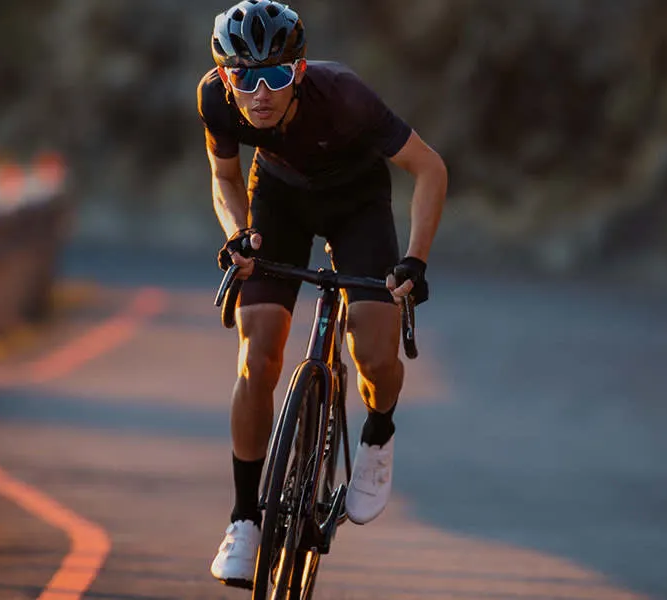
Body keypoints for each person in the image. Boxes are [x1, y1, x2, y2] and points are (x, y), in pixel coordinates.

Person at [198, 0, 448, 587]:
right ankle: (244, 519)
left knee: (375, 350)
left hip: (357, 203)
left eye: (277, 76)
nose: (261, 93)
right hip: (278, 200)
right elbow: (225, 178)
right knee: (258, 349)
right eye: (246, 78)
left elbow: (430, 168)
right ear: (227, 77)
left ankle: (379, 432)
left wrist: (415, 259)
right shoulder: (215, 98)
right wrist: (238, 235)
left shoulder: (344, 96)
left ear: (300, 73)